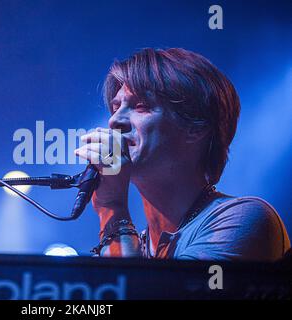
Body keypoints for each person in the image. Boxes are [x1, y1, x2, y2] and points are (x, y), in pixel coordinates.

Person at [75, 48, 290, 261]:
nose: (114, 121)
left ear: (196, 128)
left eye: (141, 106)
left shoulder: (243, 219)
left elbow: (135, 291)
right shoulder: (136, 246)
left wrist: (111, 207)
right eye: (115, 108)